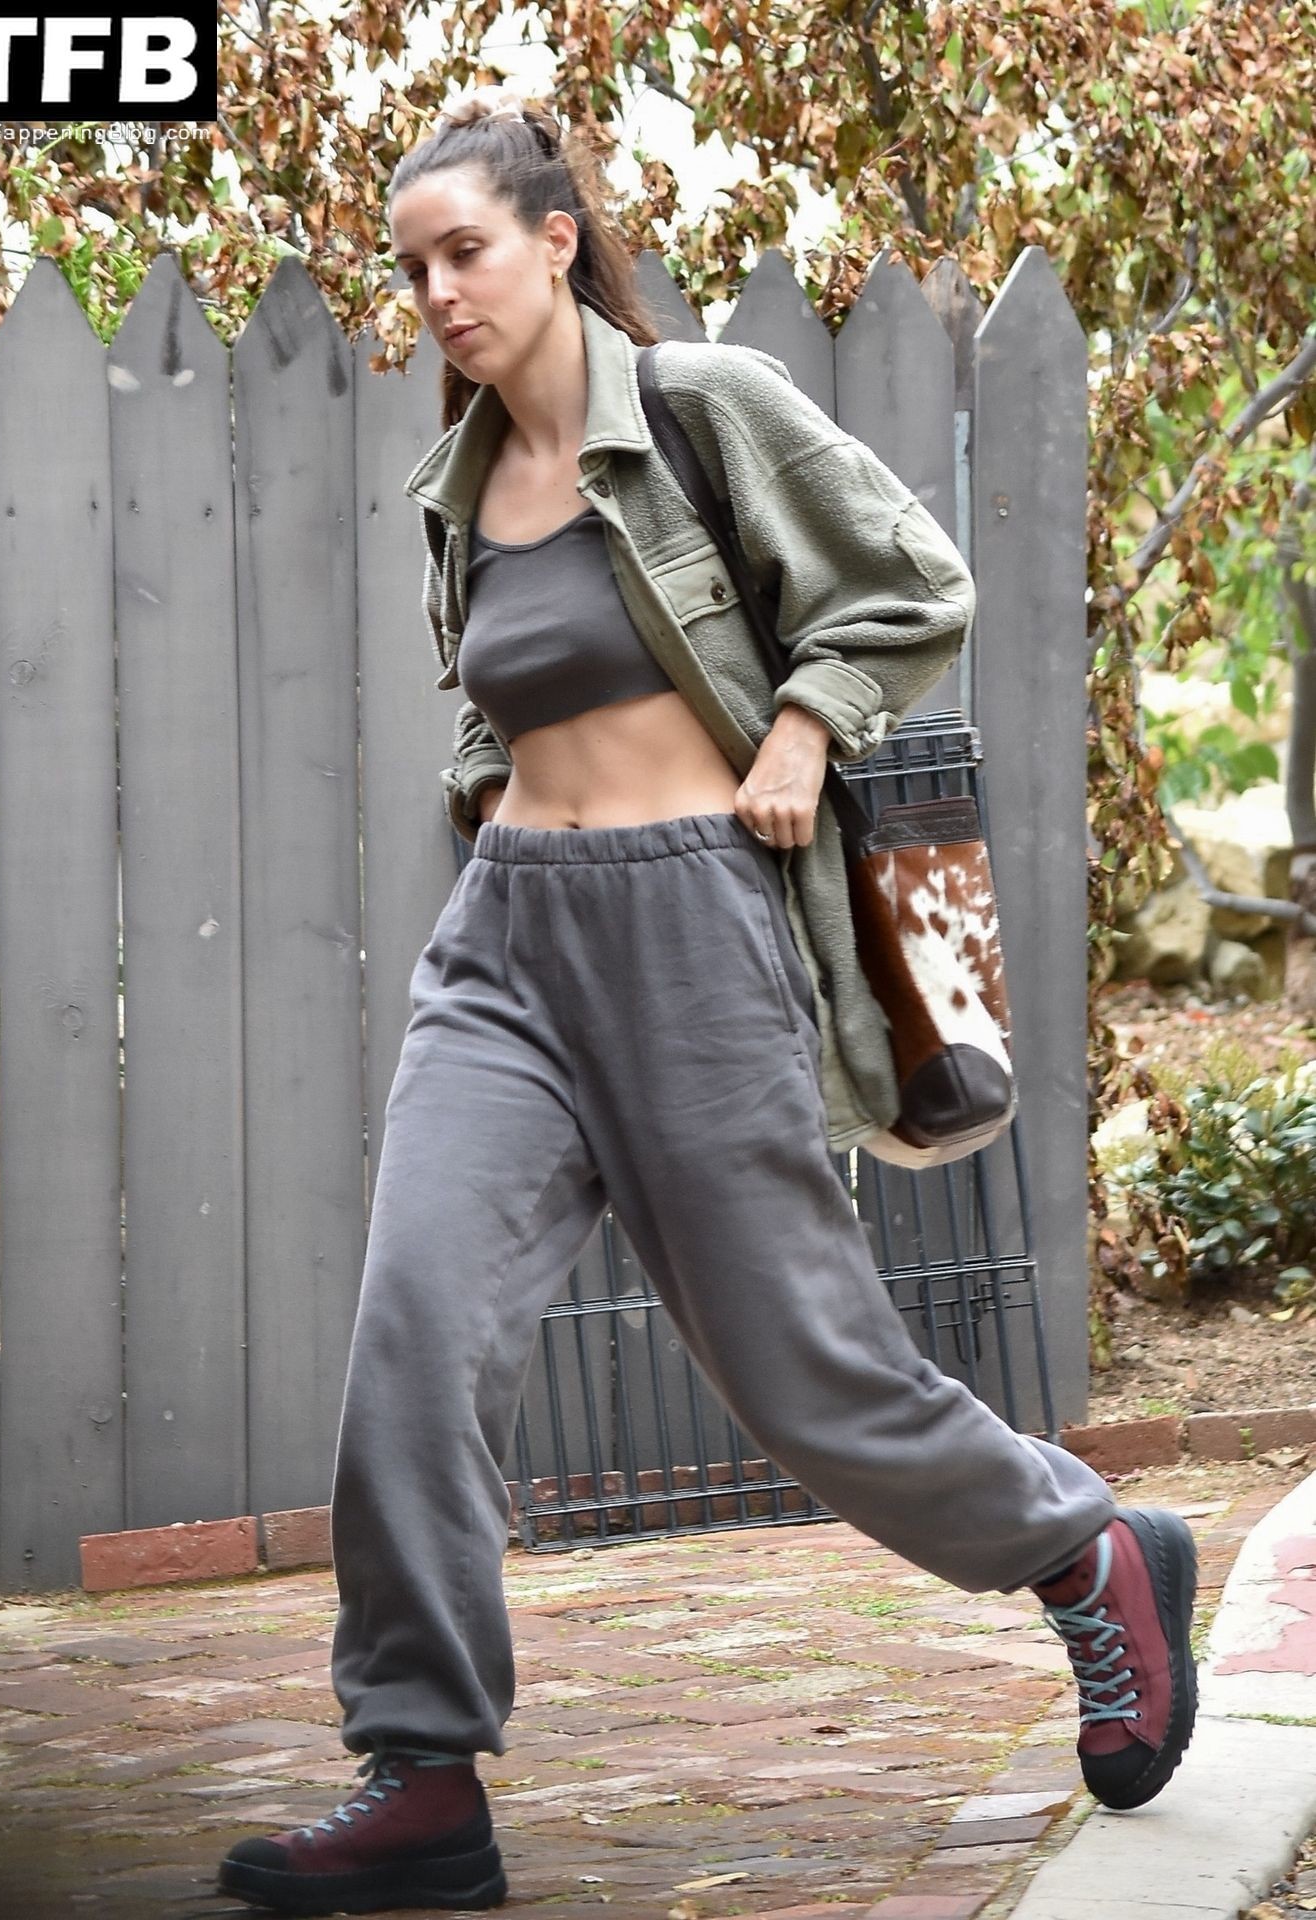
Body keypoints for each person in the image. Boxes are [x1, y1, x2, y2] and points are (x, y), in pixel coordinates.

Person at [217, 84, 1198, 1918]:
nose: (436, 295)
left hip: (694, 935)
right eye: (412, 269)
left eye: (465, 253)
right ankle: (421, 1777)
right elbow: (492, 705)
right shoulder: (459, 487)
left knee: (806, 1376)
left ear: (555, 241)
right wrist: (498, 803)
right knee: (414, 1339)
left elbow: (911, 583)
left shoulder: (702, 408)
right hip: (507, 948)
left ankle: (1089, 1554)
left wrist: (807, 727)